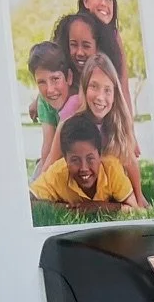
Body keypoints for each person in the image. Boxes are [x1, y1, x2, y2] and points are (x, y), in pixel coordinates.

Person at [58, 52, 143, 204]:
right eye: (94, 86)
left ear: (114, 93)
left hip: (103, 182)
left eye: (107, 90)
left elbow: (129, 159)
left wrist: (139, 195)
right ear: (84, 87)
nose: (100, 97)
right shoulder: (72, 113)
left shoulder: (119, 119)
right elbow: (53, 159)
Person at [29, 113, 139, 211]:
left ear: (100, 155)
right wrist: (68, 208)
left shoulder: (112, 169)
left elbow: (134, 209)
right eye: (75, 160)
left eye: (90, 158)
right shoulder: (58, 172)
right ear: (65, 159)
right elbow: (29, 202)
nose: (84, 168)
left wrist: (97, 206)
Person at [26, 41, 75, 170]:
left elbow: (55, 155)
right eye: (42, 82)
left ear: (69, 77)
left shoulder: (76, 101)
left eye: (55, 79)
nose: (50, 90)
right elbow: (48, 146)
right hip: (56, 160)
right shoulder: (43, 101)